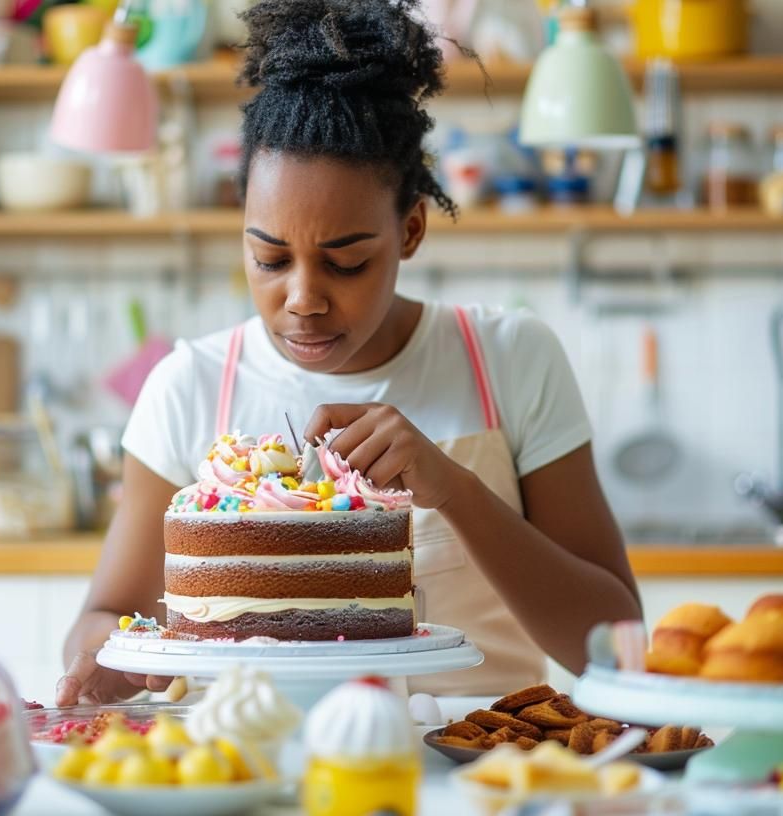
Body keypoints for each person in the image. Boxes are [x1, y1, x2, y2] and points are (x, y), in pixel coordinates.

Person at [57, 0, 639, 705]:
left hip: (479, 777)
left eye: (348, 262)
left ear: (412, 232)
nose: (303, 298)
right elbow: (99, 619)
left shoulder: (509, 359)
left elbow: (614, 639)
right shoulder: (190, 385)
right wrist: (112, 658)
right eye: (269, 258)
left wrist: (453, 489)